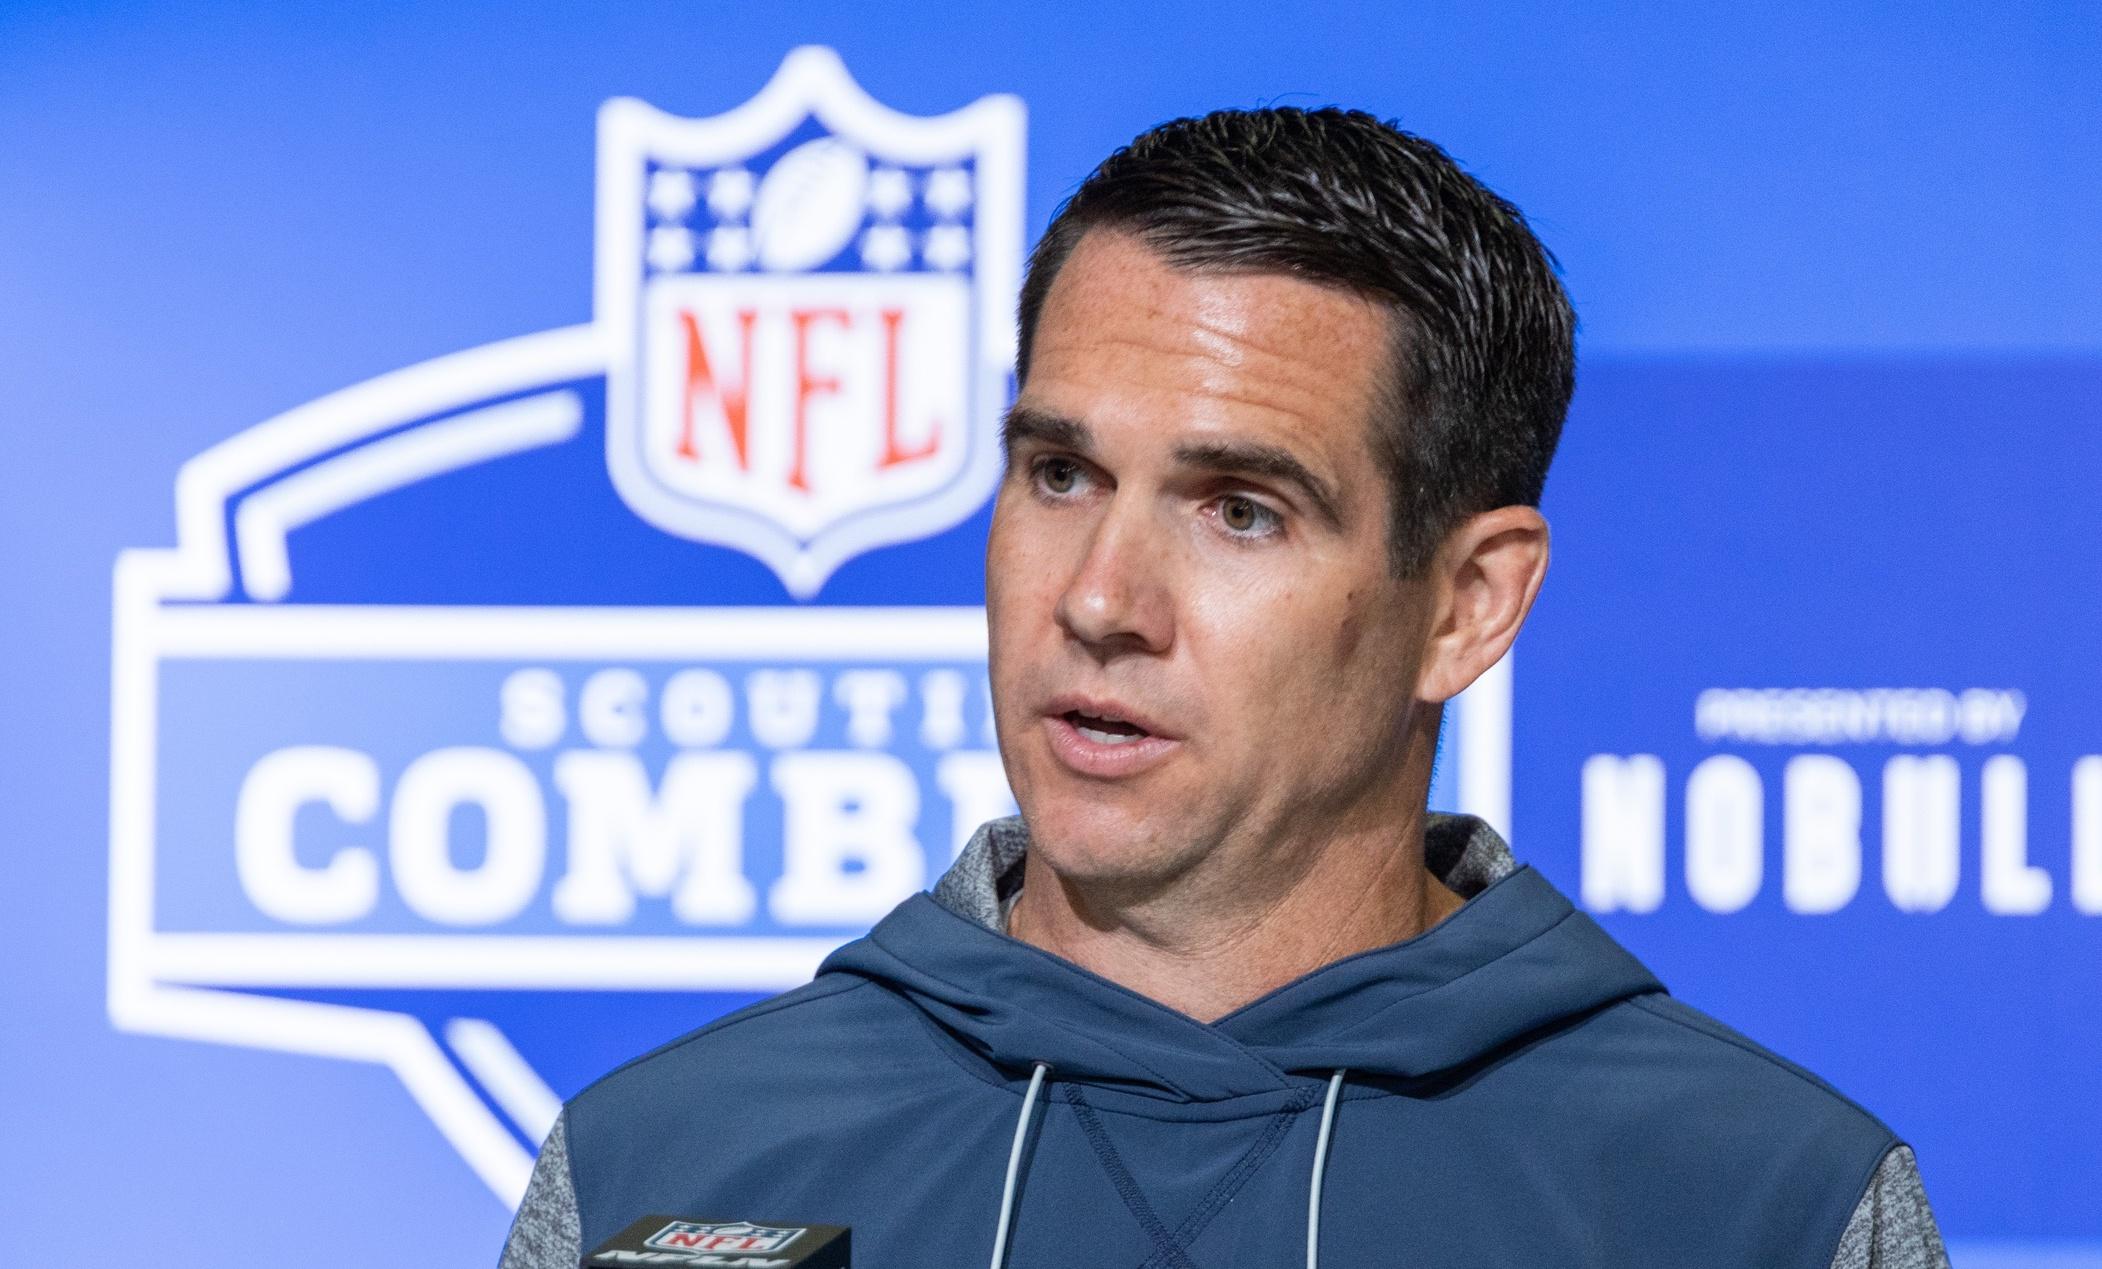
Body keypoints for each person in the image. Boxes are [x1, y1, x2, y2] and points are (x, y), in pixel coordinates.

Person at [501, 107, 1948, 1269]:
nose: (1097, 599)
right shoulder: (663, 1166)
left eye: (1238, 508)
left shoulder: (1760, 1205)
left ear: (1466, 603)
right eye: (1059, 474)